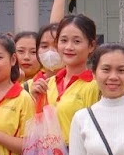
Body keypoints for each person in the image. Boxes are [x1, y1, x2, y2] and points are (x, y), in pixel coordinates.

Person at [38, 14, 101, 145]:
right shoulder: (49, 83)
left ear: (91, 46)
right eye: (64, 40)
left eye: (77, 41)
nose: (68, 47)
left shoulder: (95, 86)